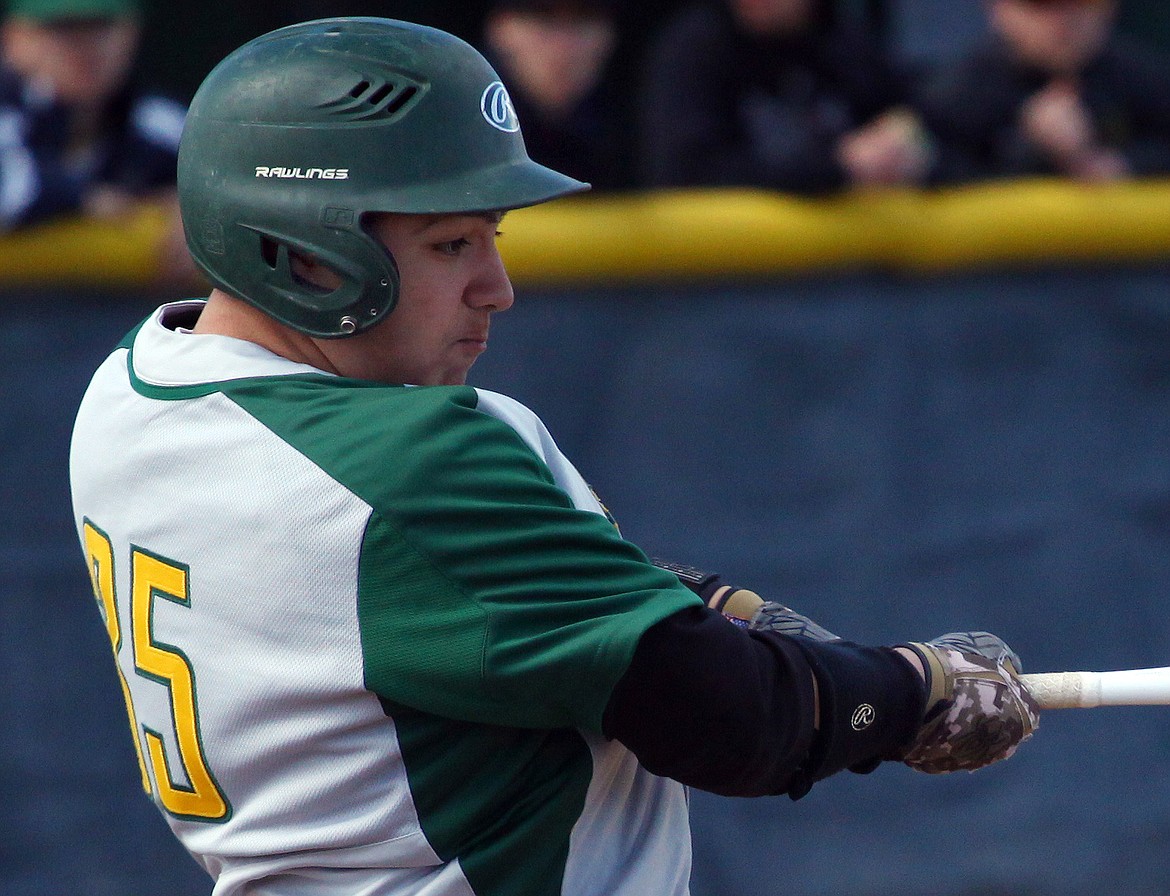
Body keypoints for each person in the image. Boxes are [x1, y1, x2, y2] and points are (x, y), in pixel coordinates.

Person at [68, 17, 1039, 895]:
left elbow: (422, 591)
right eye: (452, 244)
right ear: (303, 254)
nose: (497, 287)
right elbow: (731, 719)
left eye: (491, 236)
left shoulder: (131, 390)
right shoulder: (410, 459)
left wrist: (685, 599)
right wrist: (915, 690)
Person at [637, 0, 936, 193]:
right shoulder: (693, 50)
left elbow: (921, 125)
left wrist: (904, 147)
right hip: (729, 276)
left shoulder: (845, 43)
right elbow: (689, 176)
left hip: (853, 273)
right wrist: (838, 168)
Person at [0, 0, 194, 283]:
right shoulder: (9, 109)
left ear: (131, 32)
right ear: (14, 37)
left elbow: (243, 182)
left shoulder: (158, 122)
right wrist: (84, 198)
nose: (85, 47)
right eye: (63, 29)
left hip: (108, 318)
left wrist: (198, 210)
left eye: (100, 27)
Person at [916, 0, 1170, 183]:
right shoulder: (959, 91)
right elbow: (936, 172)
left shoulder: (1143, 76)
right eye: (1041, 5)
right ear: (997, 9)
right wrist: (1031, 149)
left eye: (1082, 4)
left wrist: (1120, 165)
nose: (1063, 21)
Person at [480, 0, 634, 190]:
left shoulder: (638, 124)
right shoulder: (462, 126)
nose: (564, 46)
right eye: (542, 18)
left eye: (584, 19)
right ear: (500, 28)